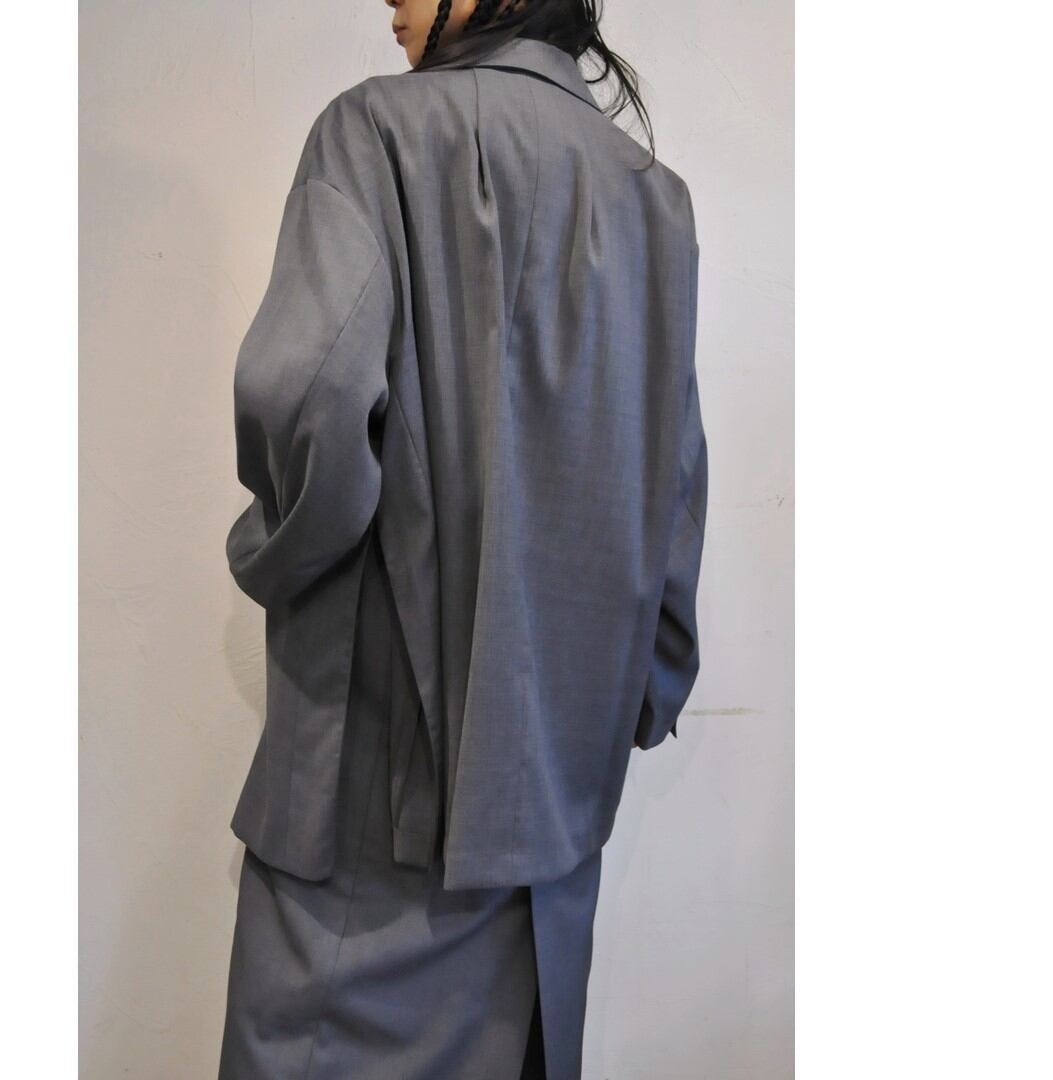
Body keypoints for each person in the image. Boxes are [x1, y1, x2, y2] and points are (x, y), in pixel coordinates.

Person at [217, 0, 708, 1076]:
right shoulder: (653, 197)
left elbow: (305, 395)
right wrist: (629, 697)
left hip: (377, 816)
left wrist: (271, 553)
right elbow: (674, 485)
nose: (388, 3)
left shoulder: (376, 132)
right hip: (554, 813)